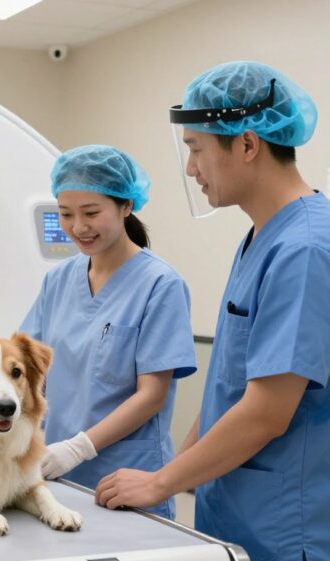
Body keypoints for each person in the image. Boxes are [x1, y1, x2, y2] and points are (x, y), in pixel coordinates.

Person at [95, 61, 330, 561]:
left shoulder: (307, 250)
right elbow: (229, 390)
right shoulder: (262, 237)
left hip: (296, 536)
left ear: (247, 145)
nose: (190, 169)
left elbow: (265, 413)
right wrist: (170, 483)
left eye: (197, 149)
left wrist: (160, 484)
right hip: (244, 518)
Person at [20, 144, 197, 519]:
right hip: (53, 471)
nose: (78, 227)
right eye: (65, 214)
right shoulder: (59, 280)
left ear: (126, 206)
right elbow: (28, 369)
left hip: (124, 478)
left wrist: (78, 448)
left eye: (91, 212)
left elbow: (151, 395)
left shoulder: (160, 284)